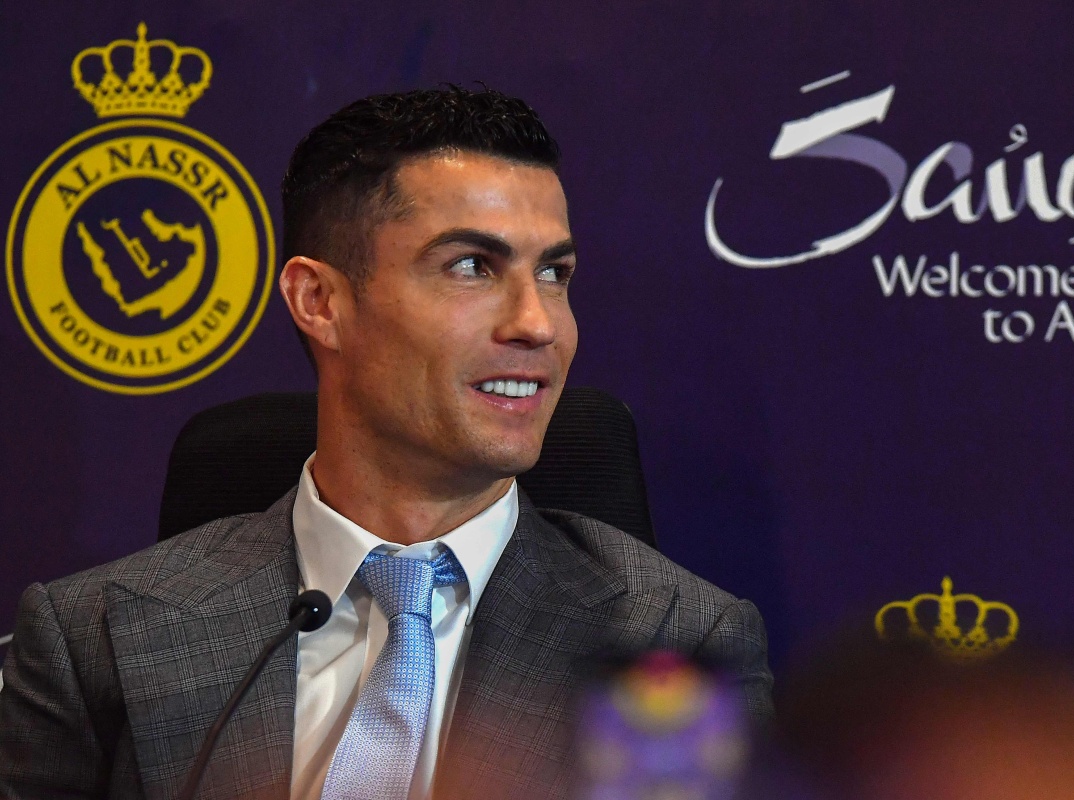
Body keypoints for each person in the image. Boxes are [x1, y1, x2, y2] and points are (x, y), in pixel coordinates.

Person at [0, 87, 772, 800]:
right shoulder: (93, 637)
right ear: (320, 301)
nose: (537, 324)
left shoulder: (670, 642)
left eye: (554, 272)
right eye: (472, 267)